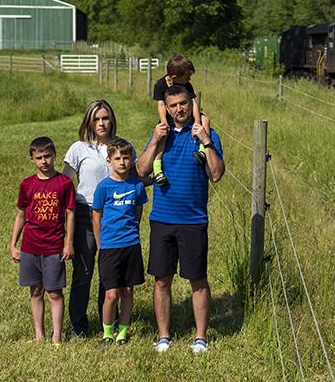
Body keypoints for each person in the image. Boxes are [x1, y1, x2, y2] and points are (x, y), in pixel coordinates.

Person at [136, 85, 225, 354]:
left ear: (191, 103)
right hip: (162, 219)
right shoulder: (161, 135)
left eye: (183, 103)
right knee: (162, 280)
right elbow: (141, 172)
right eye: (173, 105)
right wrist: (154, 140)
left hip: (193, 219)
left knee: (198, 279)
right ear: (167, 107)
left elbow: (217, 174)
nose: (179, 109)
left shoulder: (204, 134)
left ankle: (200, 337)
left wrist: (206, 140)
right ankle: (164, 336)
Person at [9, 136, 76, 344]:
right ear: (32, 159)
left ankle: (56, 335)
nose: (44, 161)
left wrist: (69, 243)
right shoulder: (27, 184)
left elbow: (70, 213)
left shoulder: (64, 183)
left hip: (54, 246)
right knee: (36, 290)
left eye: (47, 156)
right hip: (30, 246)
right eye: (39, 158)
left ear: (55, 155)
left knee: (54, 293)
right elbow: (20, 215)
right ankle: (39, 334)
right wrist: (13, 244)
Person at [62, 99, 118, 337]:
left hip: (114, 216)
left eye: (105, 118)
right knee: (83, 272)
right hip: (85, 214)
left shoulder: (120, 147)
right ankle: (79, 325)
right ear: (89, 122)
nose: (101, 123)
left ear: (111, 120)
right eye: (96, 119)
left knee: (110, 273)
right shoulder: (79, 148)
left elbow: (134, 177)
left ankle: (109, 323)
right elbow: (64, 185)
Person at [92, 137, 149, 345]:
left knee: (127, 291)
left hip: (131, 245)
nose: (122, 162)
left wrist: (133, 231)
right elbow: (96, 217)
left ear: (132, 159)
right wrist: (100, 244)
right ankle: (107, 332)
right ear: (109, 161)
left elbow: (138, 211)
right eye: (117, 158)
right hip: (109, 246)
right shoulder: (103, 187)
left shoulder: (136, 186)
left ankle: (123, 332)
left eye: (126, 157)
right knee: (111, 293)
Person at [151, 54, 212, 186]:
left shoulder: (187, 86)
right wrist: (164, 121)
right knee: (162, 136)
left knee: (205, 120)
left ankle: (202, 150)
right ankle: (157, 168)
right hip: (168, 116)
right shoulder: (160, 85)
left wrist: (197, 121)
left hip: (187, 115)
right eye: (187, 77)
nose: (189, 79)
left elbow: (193, 102)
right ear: (174, 78)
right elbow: (161, 104)